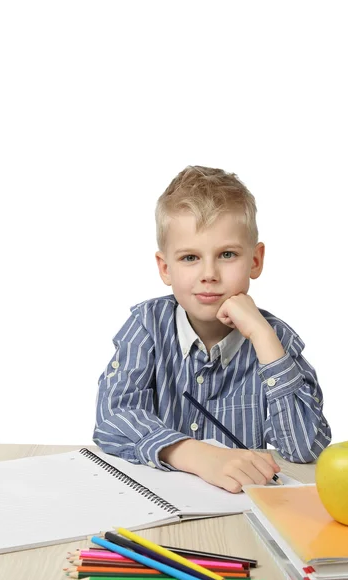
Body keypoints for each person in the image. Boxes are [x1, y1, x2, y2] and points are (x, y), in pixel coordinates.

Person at [93, 166, 331, 493]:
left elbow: (304, 450)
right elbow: (112, 420)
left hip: (244, 511)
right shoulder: (147, 326)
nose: (209, 274)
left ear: (255, 260)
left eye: (227, 254)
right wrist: (198, 455)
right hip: (162, 504)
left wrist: (263, 338)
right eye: (190, 257)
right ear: (165, 268)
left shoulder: (274, 338)